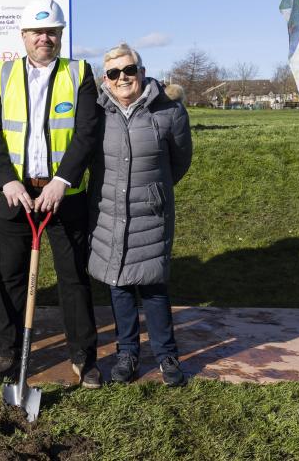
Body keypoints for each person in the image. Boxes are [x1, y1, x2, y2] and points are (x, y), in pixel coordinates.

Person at [0, 0, 101, 387]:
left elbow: (86, 133)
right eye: (37, 31)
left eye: (51, 31)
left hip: (64, 197)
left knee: (73, 277)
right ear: (24, 35)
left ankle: (84, 356)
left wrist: (62, 181)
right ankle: (10, 355)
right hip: (15, 194)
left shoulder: (80, 72)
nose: (44, 38)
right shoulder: (1, 73)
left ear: (61, 34)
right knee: (10, 277)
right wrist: (6, 181)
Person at [88, 43, 192, 386]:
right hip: (109, 210)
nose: (122, 78)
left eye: (129, 70)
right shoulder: (97, 111)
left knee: (153, 286)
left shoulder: (169, 111)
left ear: (141, 71)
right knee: (118, 285)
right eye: (114, 73)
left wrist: (154, 191)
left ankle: (166, 355)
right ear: (105, 78)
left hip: (150, 212)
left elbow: (180, 160)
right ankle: (127, 353)